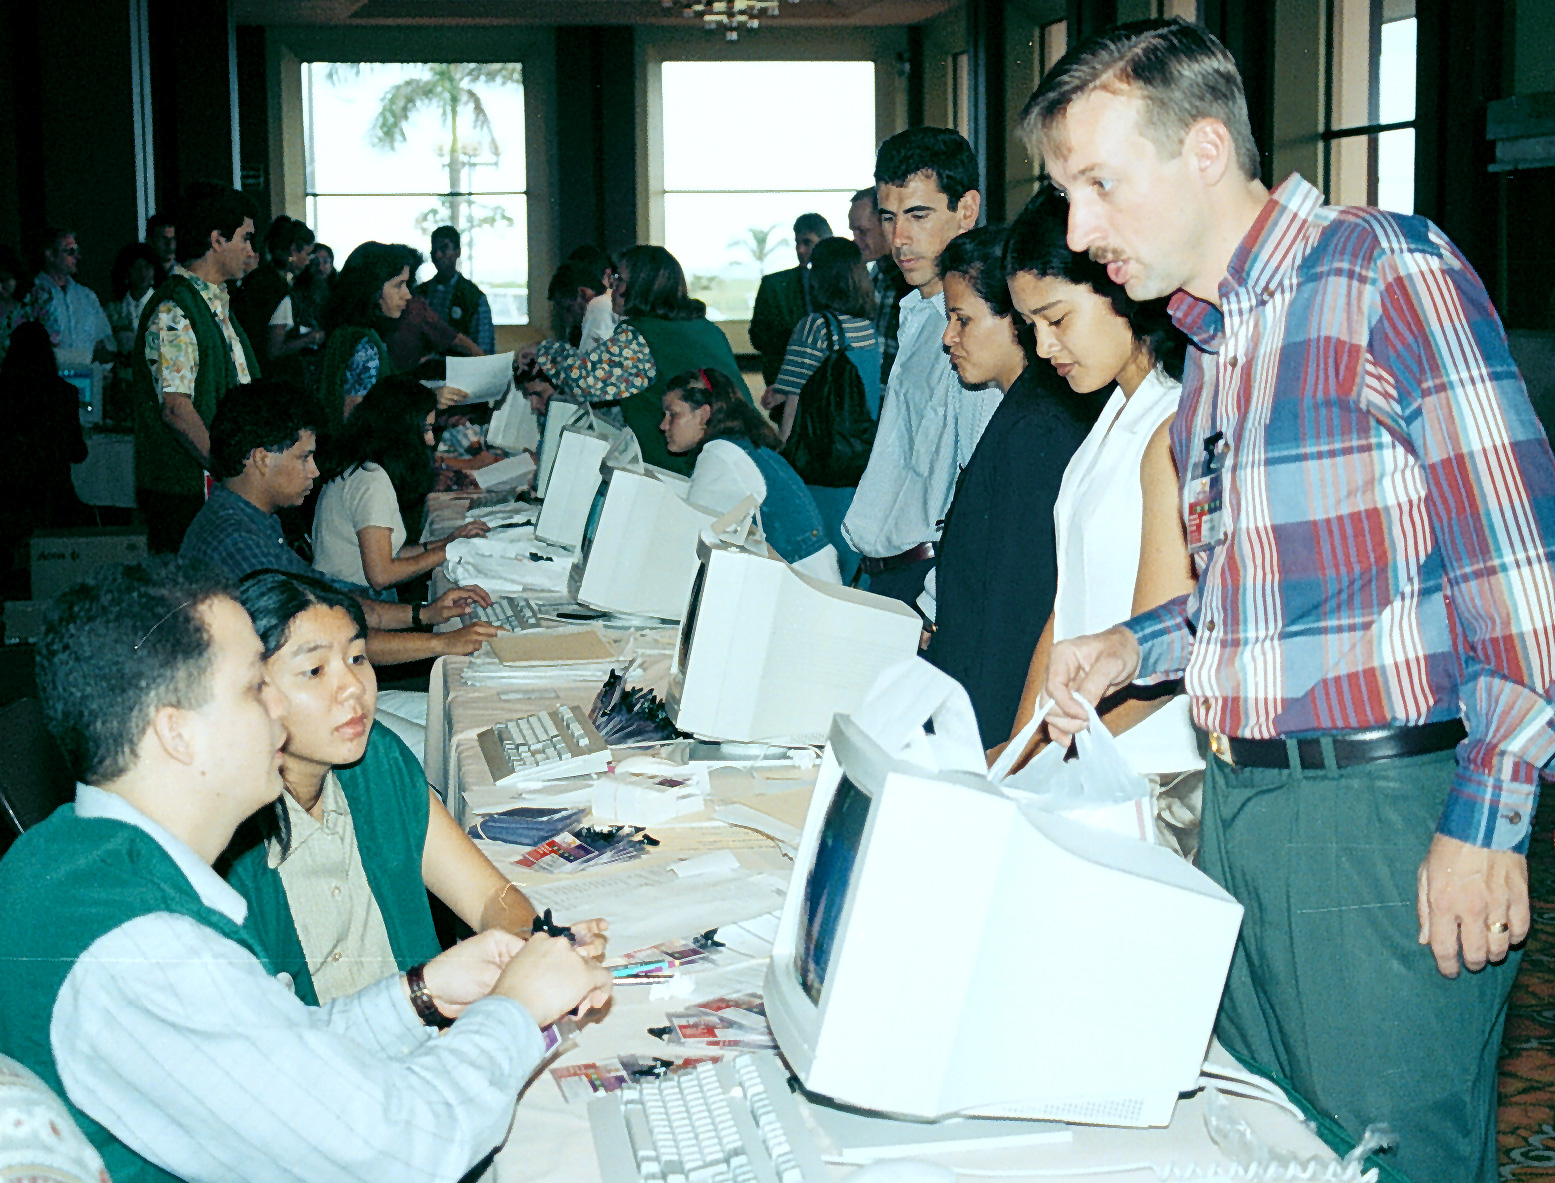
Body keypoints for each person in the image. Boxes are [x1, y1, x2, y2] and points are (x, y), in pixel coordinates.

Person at [1027, 20, 1555, 1182]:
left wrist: (1485, 821)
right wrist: (1128, 646)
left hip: (1372, 817)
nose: (1079, 231)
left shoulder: (1382, 272)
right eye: (1067, 196)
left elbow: (1521, 574)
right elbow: (1263, 603)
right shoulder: (1215, 347)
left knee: (1387, 1160)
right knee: (1269, 1153)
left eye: (1100, 185)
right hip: (1241, 810)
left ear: (1204, 149)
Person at [0, 557, 613, 1182]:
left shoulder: (67, 857)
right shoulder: (148, 955)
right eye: (254, 687)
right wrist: (514, 1010)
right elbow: (405, 1150)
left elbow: (276, 1052)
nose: (279, 708)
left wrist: (421, 994)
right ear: (177, 733)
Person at [226, 570, 607, 1005]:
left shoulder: (376, 762)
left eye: (357, 658)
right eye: (314, 670)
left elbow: (488, 897)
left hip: (423, 1028)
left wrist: (532, 945)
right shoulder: (228, 848)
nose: (353, 686)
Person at [995, 190, 1202, 855]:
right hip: (1087, 753)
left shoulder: (1172, 425)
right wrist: (1017, 748)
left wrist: (1045, 755)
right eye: (1029, 326)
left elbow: (1157, 653)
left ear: (1119, 289)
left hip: (1150, 775)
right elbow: (1068, 612)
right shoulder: (1112, 416)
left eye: (1056, 318)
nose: (1043, 345)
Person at [180, 379, 502, 672]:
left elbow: (328, 600)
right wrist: (441, 642)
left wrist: (423, 614)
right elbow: (323, 639)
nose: (315, 471)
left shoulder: (253, 520)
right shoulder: (237, 542)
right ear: (263, 459)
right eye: (303, 457)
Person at [916, 225, 1094, 746]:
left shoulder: (1037, 428)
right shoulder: (1021, 411)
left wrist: (999, 751)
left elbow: (1017, 612)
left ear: (1014, 319)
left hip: (991, 715)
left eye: (963, 319)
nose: (949, 337)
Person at [842, 128, 994, 605]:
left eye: (918, 215)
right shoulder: (917, 313)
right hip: (886, 572)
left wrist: (934, 604)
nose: (899, 239)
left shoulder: (979, 330)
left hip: (930, 580)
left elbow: (982, 489)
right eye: (889, 217)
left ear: (966, 210)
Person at [534, 244, 751, 476]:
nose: (612, 287)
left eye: (619, 280)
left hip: (689, 469)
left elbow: (584, 382)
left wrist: (543, 350)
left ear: (641, 286)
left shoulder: (642, 335)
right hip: (738, 456)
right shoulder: (707, 329)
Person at [132, 184, 260, 554]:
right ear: (217, 239)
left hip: (214, 490)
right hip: (187, 494)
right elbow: (176, 409)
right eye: (245, 238)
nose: (251, 251)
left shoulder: (214, 304)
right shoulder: (173, 310)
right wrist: (232, 474)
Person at [763, 236, 881, 584]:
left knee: (815, 563)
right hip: (858, 457)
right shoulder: (867, 328)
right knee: (850, 559)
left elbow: (792, 398)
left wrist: (783, 456)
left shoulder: (816, 327)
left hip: (819, 462)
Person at [312, 375, 490, 595]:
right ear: (400, 431)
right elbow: (381, 575)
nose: (430, 441)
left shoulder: (365, 468)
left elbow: (393, 554)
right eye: (425, 429)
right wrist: (448, 550)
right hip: (351, 598)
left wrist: (450, 540)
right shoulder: (370, 481)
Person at [661, 368, 840, 582]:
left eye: (673, 414)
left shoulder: (721, 455)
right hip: (810, 577)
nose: (663, 425)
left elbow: (694, 537)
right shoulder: (743, 446)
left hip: (799, 584)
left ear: (703, 415)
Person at [318, 243, 467, 427]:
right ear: (372, 289)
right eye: (399, 285)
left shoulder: (345, 333)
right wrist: (426, 400)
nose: (407, 295)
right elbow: (358, 420)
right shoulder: (365, 345)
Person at [0, 321, 89, 533]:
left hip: (8, 494)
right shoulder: (64, 393)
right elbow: (77, 452)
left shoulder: (5, 393)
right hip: (53, 495)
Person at [749, 212, 832, 386]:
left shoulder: (840, 284)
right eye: (797, 243)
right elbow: (758, 337)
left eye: (807, 243)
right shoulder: (774, 285)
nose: (800, 250)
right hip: (785, 381)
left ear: (825, 244)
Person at [234, 216, 323, 370]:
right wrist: (309, 339)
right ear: (293, 250)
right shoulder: (280, 291)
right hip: (271, 375)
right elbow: (275, 349)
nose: (308, 261)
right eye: (307, 253)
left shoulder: (255, 278)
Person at [384, 249, 484, 375]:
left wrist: (486, 365)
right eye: (398, 285)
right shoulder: (366, 335)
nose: (407, 295)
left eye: (406, 284)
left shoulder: (415, 309)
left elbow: (454, 339)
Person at [30, 227, 115, 369]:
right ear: (50, 254)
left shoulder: (87, 297)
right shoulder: (32, 296)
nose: (77, 256)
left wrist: (103, 369)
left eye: (77, 251)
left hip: (85, 378)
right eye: (70, 251)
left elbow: (104, 342)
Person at [848, 186, 909, 385]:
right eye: (853, 231)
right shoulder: (875, 277)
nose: (856, 241)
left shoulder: (912, 282)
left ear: (888, 224)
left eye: (862, 231)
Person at [419, 225, 495, 354]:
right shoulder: (421, 293)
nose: (438, 255)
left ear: (458, 252)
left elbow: (484, 351)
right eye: (434, 250)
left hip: (462, 365)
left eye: (444, 249)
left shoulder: (474, 297)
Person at [547, 258, 609, 349]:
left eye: (569, 309)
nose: (568, 319)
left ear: (583, 294)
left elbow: (587, 356)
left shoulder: (601, 308)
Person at [291, 240, 333, 330]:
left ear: (331, 265)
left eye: (325, 262)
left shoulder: (337, 292)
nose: (320, 267)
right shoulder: (296, 292)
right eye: (315, 262)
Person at [144, 211, 177, 282]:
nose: (170, 244)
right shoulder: (142, 278)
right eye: (163, 238)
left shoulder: (187, 278)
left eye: (173, 238)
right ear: (150, 241)